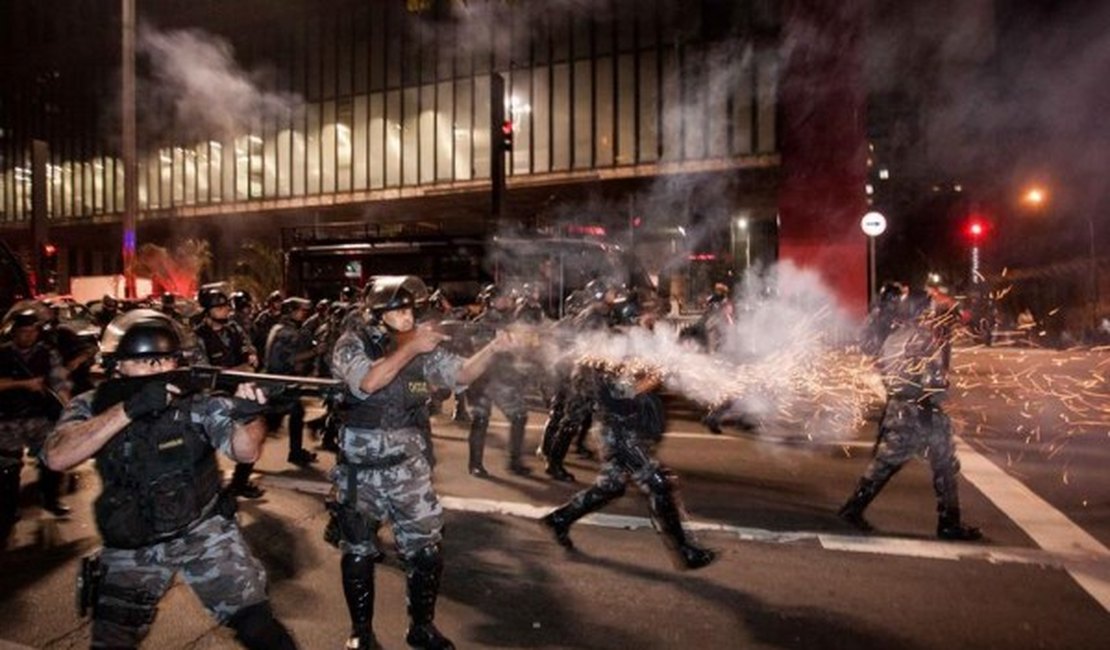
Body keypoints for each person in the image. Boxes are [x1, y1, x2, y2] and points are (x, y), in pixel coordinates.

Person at [42, 310, 298, 649]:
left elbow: (246, 453)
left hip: (203, 530)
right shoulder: (92, 404)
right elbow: (57, 456)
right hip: (133, 543)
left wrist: (248, 416)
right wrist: (130, 409)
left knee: (261, 629)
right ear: (117, 365)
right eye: (147, 363)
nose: (161, 370)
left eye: (167, 360)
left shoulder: (196, 402)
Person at [329, 275, 511, 650]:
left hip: (408, 468)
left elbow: (460, 373)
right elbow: (369, 383)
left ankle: (421, 627)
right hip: (359, 471)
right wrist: (412, 349)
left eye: (411, 308)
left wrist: (494, 348)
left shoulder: (417, 347)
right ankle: (360, 633)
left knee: (426, 550)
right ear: (379, 314)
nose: (409, 315)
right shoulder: (353, 343)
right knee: (359, 550)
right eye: (399, 309)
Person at [539, 301, 716, 570]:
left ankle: (560, 519)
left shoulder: (632, 345)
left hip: (627, 430)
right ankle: (685, 551)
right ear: (631, 319)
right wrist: (660, 373)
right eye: (649, 316)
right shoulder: (612, 349)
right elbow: (623, 393)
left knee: (611, 486)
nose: (654, 319)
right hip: (620, 433)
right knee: (659, 483)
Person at [837, 289, 983, 541]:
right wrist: (941, 387)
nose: (933, 313)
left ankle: (853, 508)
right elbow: (931, 379)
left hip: (898, 408)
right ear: (921, 312)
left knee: (886, 463)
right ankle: (949, 523)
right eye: (929, 309)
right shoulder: (921, 339)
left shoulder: (893, 336)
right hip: (922, 411)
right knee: (945, 465)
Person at [0, 308, 73, 533]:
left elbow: (60, 381)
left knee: (52, 459)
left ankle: (51, 500)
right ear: (14, 333)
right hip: (8, 418)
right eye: (23, 332)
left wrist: (67, 408)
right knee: (8, 469)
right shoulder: (3, 354)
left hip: (39, 417)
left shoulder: (47, 353)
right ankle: (8, 511)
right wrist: (23, 384)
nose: (28, 336)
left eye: (32, 331)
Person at [195, 288, 265, 499]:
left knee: (250, 435)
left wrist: (251, 355)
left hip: (238, 392)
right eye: (219, 307)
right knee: (205, 448)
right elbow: (203, 372)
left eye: (226, 306)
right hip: (211, 397)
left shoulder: (233, 329)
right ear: (207, 311)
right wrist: (241, 369)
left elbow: (248, 348)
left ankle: (239, 483)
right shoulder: (198, 336)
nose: (225, 310)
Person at [464, 284, 531, 477]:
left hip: (503, 378)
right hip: (483, 380)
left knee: (519, 416)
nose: (508, 300)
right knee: (480, 419)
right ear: (491, 301)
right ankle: (475, 464)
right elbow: (480, 351)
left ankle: (514, 461)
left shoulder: (510, 322)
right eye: (503, 297)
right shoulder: (482, 323)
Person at [264, 297, 319, 467]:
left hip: (279, 382)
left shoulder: (279, 327)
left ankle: (295, 452)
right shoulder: (287, 333)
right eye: (300, 311)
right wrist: (316, 351)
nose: (303, 314)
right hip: (280, 383)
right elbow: (291, 359)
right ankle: (242, 470)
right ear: (291, 312)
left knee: (296, 413)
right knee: (266, 424)